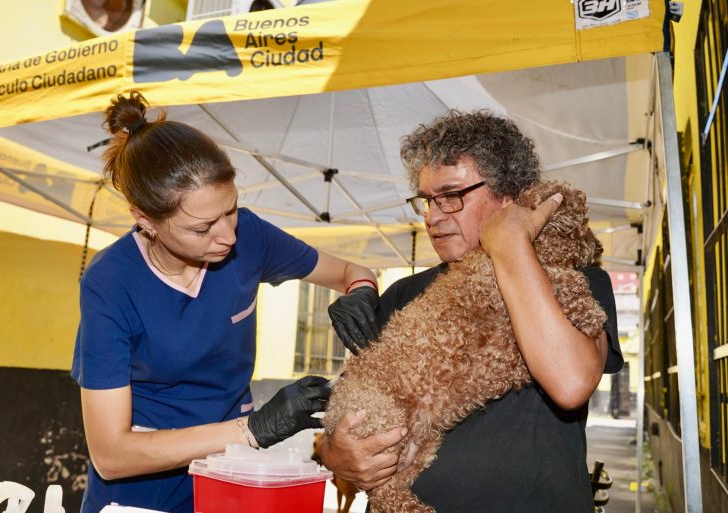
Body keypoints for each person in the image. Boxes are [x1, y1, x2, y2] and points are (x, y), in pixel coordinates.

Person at [71, 91, 380, 513]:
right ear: (145, 220)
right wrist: (252, 429)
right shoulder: (110, 283)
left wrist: (361, 290)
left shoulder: (249, 237)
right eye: (202, 228)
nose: (228, 236)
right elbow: (111, 455)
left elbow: (352, 271)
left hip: (232, 474)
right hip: (143, 486)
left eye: (231, 210)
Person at [320, 110, 622, 512]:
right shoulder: (402, 294)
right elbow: (357, 417)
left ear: (508, 197)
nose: (433, 216)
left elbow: (570, 383)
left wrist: (511, 242)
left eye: (451, 196)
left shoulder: (573, 279)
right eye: (426, 201)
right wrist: (336, 454)